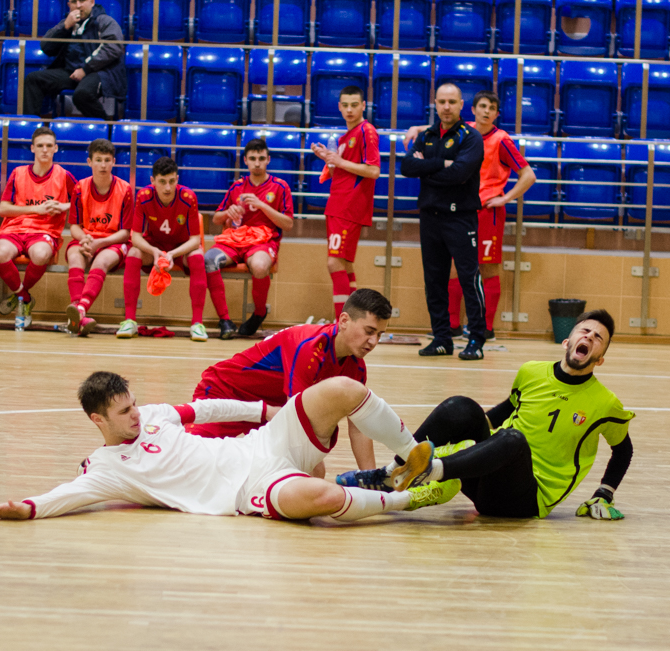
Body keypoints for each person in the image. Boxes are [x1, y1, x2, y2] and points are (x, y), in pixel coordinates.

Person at [0, 371, 460, 522]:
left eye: (134, 405)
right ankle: (406, 497)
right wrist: (26, 508)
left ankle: (418, 459)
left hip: (264, 442)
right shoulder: (107, 468)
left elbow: (204, 409)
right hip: (249, 487)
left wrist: (267, 414)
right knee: (324, 500)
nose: (137, 415)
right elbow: (70, 494)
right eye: (124, 413)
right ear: (97, 420)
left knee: (341, 387)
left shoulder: (156, 416)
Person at [338, 310, 635, 521]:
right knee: (461, 406)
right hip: (488, 474)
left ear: (600, 358)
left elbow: (623, 450)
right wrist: (467, 424)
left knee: (513, 439)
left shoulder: (606, 403)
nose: (590, 336)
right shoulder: (532, 371)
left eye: (598, 338)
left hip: (526, 500)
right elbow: (503, 411)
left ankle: (430, 469)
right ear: (567, 341)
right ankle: (393, 473)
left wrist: (604, 493)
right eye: (585, 331)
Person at [188, 287, 392, 475]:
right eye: (369, 331)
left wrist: (370, 478)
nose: (374, 342)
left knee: (312, 474)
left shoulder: (356, 367)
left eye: (380, 334)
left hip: (270, 412)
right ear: (344, 321)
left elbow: (358, 426)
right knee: (187, 462)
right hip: (225, 394)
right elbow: (295, 420)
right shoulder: (309, 347)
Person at [405, 91, 537, 341]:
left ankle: (486, 328)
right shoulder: (466, 132)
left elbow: (528, 175)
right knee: (456, 269)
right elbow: (440, 125)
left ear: (498, 114)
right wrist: (416, 127)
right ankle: (453, 326)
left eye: (493, 108)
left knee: (487, 268)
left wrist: (505, 197)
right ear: (473, 110)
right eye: (483, 106)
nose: (487, 111)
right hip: (461, 209)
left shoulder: (501, 139)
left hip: (488, 211)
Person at [401, 83, 486, 360]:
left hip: (460, 218)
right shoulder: (426, 135)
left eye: (452, 101)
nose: (446, 106)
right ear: (434, 104)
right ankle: (441, 338)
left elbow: (460, 174)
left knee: (468, 278)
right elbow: (407, 167)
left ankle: (476, 339)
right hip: (430, 217)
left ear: (462, 105)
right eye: (441, 102)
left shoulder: (471, 137)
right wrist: (442, 164)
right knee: (434, 280)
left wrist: (428, 167)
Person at [125, 156, 234, 342]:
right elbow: (135, 237)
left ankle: (197, 324)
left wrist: (173, 254)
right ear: (152, 181)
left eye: (172, 181)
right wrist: (154, 252)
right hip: (154, 248)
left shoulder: (188, 197)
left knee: (198, 256)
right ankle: (129, 321)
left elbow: (195, 240)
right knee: (133, 253)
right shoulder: (143, 197)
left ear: (177, 178)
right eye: (162, 182)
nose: (167, 187)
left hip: (181, 248)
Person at [206, 138, 295, 337]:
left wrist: (263, 205)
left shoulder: (280, 187)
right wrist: (229, 211)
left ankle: (259, 313)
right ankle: (225, 321)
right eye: (252, 158)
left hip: (263, 242)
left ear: (268, 160)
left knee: (261, 267)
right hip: (235, 240)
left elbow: (288, 224)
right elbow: (216, 218)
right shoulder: (237, 186)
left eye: (261, 158)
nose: (257, 163)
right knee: (208, 260)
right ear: (245, 160)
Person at [0, 126, 75, 330]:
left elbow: (84, 203)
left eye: (49, 146)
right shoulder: (18, 173)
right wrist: (36, 209)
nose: (45, 150)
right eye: (40, 146)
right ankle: (25, 298)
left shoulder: (64, 176)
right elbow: (3, 209)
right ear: (32, 148)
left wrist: (64, 206)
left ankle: (20, 296)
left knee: (40, 254)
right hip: (14, 229)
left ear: (56, 148)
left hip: (45, 232)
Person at [310, 86, 381, 320]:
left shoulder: (367, 131)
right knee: (345, 265)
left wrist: (338, 160)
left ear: (363, 106)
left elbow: (373, 170)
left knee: (334, 263)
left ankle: (341, 323)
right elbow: (341, 168)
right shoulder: (344, 137)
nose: (350, 110)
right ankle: (353, 320)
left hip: (350, 205)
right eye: (345, 105)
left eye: (354, 105)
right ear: (339, 107)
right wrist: (328, 159)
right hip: (338, 203)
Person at [65, 138, 134, 337]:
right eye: (98, 160)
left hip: (112, 241)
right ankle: (80, 313)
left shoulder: (125, 189)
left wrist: (100, 243)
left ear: (114, 162)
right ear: (89, 162)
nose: (103, 165)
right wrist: (86, 239)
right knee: (75, 256)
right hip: (87, 238)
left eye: (107, 160)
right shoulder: (79, 187)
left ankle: (79, 309)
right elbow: (75, 226)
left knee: (102, 261)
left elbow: (126, 232)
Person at [25, 0, 125, 120]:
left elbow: (113, 47)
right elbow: (46, 47)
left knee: (82, 95)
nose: (78, 6)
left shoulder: (104, 21)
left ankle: (107, 130)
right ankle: (31, 128)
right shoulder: (67, 23)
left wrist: (85, 69)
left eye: (82, 1)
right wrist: (65, 27)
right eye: (73, 2)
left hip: (98, 72)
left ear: (92, 2)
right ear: (68, 5)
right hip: (71, 73)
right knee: (34, 79)